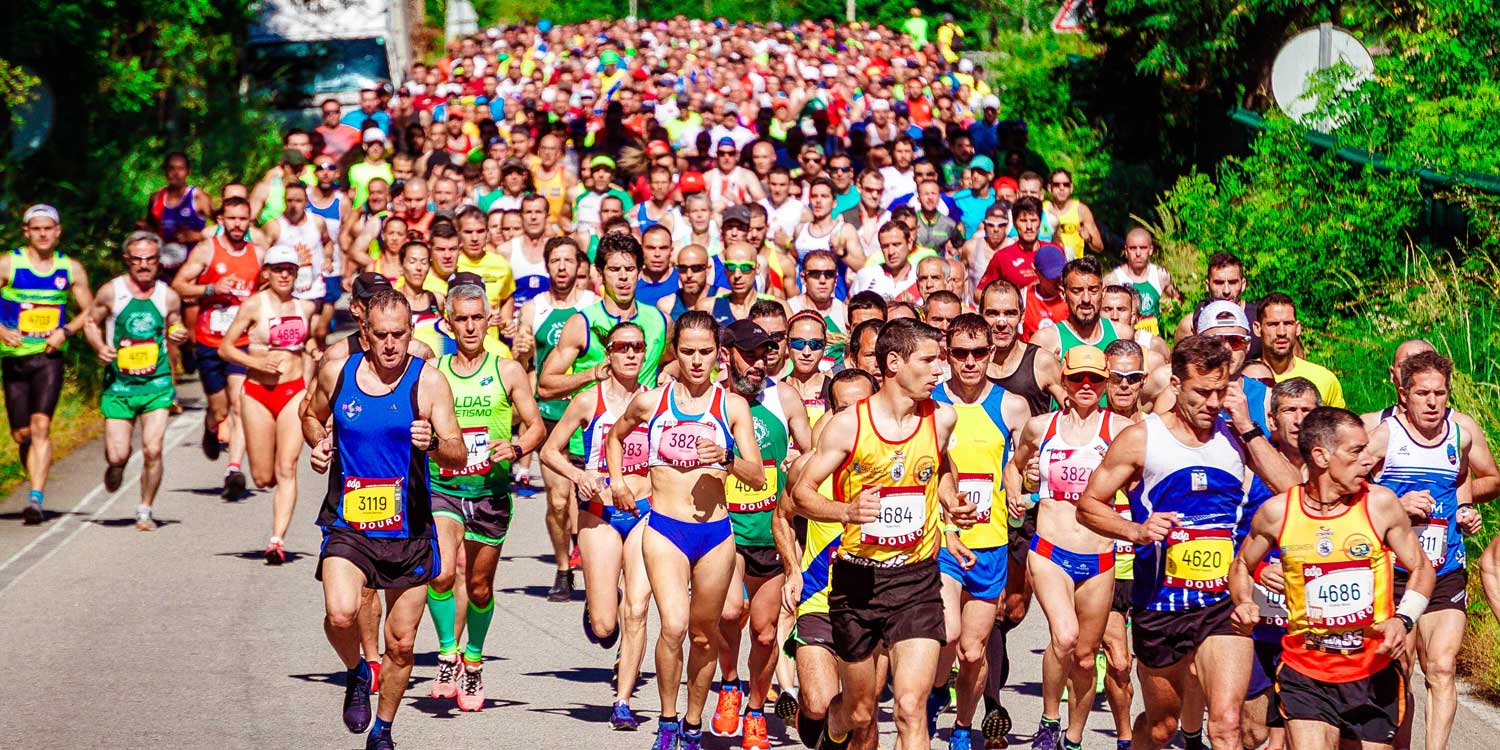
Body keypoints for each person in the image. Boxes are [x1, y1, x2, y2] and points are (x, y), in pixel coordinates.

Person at [1075, 335, 1301, 750]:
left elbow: (1295, 493)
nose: (1212, 402)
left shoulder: (1237, 437)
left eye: (1221, 391)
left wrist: (1249, 427)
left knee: (1226, 726)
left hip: (1222, 603)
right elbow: (1088, 506)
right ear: (1176, 386)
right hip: (1160, 605)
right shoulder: (1143, 439)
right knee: (1162, 728)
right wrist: (1136, 531)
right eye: (1202, 392)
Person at [790, 317, 976, 750]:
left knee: (912, 708)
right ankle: (832, 724)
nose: (939, 371)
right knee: (860, 711)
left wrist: (948, 500)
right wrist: (846, 511)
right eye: (929, 361)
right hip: (858, 581)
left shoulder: (942, 418)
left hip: (917, 579)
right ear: (894, 362)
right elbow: (801, 493)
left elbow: (941, 463)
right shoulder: (849, 426)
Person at [302, 289, 466, 750]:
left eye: (399, 334)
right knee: (340, 612)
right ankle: (357, 670)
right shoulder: (337, 371)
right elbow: (310, 416)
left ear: (411, 333)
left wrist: (433, 443)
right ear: (365, 335)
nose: (391, 344)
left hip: (409, 529)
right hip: (348, 521)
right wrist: (319, 443)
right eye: (382, 335)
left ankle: (384, 730)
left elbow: (456, 453)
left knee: (400, 643)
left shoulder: (429, 382)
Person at [1231, 407, 1436, 750]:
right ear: (1321, 456)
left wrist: (1403, 619)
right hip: (1305, 669)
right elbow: (1240, 565)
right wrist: (1244, 602)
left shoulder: (1379, 505)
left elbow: (1421, 568)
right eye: (1356, 451)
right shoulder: (1279, 512)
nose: (1368, 460)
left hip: (1372, 670)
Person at [607, 312, 765, 750]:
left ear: (720, 355)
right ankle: (668, 718)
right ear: (675, 351)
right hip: (664, 529)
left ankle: (694, 722)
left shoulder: (731, 406)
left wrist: (727, 456)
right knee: (673, 626)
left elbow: (755, 476)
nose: (697, 361)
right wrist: (618, 480)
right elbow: (615, 437)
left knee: (702, 633)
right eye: (688, 351)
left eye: (706, 352)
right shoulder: (651, 401)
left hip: (715, 535)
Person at [422, 281, 544, 711]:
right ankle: (447, 652)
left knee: (478, 587)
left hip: (490, 492)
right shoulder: (434, 371)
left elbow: (535, 424)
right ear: (448, 322)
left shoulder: (506, 369)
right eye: (462, 319)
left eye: (478, 318)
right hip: (445, 487)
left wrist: (516, 447)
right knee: (440, 572)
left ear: (490, 318)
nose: (471, 327)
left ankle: (473, 660)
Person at [1365, 350, 1494, 750]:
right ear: (1403, 394)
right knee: (1400, 670)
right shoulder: (1386, 435)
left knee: (1440, 667)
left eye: (1440, 393)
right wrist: (1396, 506)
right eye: (1423, 394)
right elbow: (1351, 486)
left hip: (1445, 567)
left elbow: (1460, 483)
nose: (1433, 402)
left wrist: (1466, 508)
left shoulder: (1460, 436)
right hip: (1396, 573)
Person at [1003, 346, 1127, 750]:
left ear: (1106, 382)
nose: (1086, 386)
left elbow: (1144, 484)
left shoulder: (1121, 430)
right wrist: (1016, 495)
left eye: (1095, 379)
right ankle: (1048, 720)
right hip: (1050, 549)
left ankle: (1072, 737)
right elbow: (1013, 467)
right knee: (1066, 637)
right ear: (1065, 382)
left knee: (1087, 656)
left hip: (1100, 555)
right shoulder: (1042, 428)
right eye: (1078, 379)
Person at [540, 233, 670, 600]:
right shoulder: (583, 322)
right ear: (600, 275)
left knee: (636, 575)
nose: (623, 278)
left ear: (641, 273)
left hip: (644, 448)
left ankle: (622, 621)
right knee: (563, 505)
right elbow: (547, 384)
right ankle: (571, 573)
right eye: (614, 270)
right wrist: (591, 374)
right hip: (591, 444)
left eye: (630, 269)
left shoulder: (657, 320)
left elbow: (671, 359)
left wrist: (671, 374)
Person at [540, 321, 654, 730]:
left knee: (638, 610)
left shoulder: (656, 400)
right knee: (607, 622)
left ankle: (622, 702)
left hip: (646, 511)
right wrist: (577, 477)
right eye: (621, 346)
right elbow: (550, 451)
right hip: (599, 512)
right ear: (608, 351)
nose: (630, 353)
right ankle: (601, 603)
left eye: (637, 347)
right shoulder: (589, 401)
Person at [709, 315, 813, 748]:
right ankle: (729, 683)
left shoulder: (783, 397)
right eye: (748, 354)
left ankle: (755, 708)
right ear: (726, 355)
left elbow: (810, 450)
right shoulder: (711, 399)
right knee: (732, 612)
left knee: (767, 632)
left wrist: (795, 460)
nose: (758, 363)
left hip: (772, 528)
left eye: (764, 353)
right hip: (724, 528)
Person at [931, 313, 1030, 750]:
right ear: (947, 355)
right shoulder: (930, 403)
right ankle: (935, 689)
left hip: (990, 542)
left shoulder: (1011, 405)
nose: (970, 362)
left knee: (974, 652)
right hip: (940, 538)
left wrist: (1019, 490)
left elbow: (1021, 464)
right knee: (948, 635)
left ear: (992, 354)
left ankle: (962, 727)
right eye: (960, 353)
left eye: (979, 353)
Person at [779, 368, 878, 748]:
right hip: (821, 594)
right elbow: (783, 519)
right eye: (843, 409)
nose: (853, 418)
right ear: (830, 413)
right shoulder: (810, 468)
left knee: (863, 713)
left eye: (862, 407)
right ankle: (812, 714)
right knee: (820, 702)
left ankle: (835, 732)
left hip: (876, 600)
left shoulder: (894, 465)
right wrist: (792, 570)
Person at [217, 245, 318, 564]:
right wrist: (255, 363)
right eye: (278, 269)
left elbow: (311, 341)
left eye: (290, 269)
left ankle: (276, 541)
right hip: (258, 391)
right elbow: (226, 348)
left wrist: (314, 357)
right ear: (267, 273)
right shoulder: (253, 306)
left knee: (287, 467)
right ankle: (264, 476)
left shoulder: (306, 308)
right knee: (263, 477)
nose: (285, 274)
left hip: (293, 391)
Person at [81, 231, 186, 529]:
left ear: (158, 261)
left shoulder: (168, 295)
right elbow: (90, 321)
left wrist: (179, 332)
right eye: (137, 259)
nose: (143, 265)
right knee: (118, 453)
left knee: (153, 448)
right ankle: (117, 465)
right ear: (127, 260)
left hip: (157, 384)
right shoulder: (112, 292)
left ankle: (145, 509)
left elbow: (177, 326)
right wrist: (100, 347)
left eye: (150, 259)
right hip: (119, 386)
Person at [1, 204, 96, 524]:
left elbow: (91, 310)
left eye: (48, 228)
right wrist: (2, 330)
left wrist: (66, 330)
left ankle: (36, 498)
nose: (43, 234)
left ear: (58, 232)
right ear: (26, 232)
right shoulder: (8, 264)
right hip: (14, 359)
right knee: (21, 433)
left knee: (42, 426)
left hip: (48, 357)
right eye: (36, 228)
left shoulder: (70, 269)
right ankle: (34, 472)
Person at [174, 196, 262, 497]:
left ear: (250, 221)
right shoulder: (207, 249)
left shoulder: (258, 254)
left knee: (239, 404)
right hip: (209, 341)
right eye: (232, 218)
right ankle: (211, 427)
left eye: (243, 219)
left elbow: (267, 291)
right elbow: (179, 284)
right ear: (222, 220)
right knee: (220, 407)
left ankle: (233, 469)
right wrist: (211, 288)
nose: (238, 224)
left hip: (241, 343)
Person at [261, 182, 334, 348]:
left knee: (314, 333)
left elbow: (328, 242)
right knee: (292, 338)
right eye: (290, 200)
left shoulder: (317, 222)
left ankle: (315, 369)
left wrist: (328, 258)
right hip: (286, 291)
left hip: (313, 288)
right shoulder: (275, 226)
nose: (294, 205)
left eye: (298, 200)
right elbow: (262, 256)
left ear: (306, 202)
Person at [1029, 257, 1133, 360]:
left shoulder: (1122, 335)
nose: (1086, 299)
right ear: (1063, 294)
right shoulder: (1045, 341)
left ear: (1103, 292)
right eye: (1077, 291)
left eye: (1093, 290)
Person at [1252, 292, 1345, 407]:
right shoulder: (1248, 379)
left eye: (1288, 324)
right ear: (1257, 328)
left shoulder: (1324, 379)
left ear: (1297, 328)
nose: (1281, 332)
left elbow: (1341, 424)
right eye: (1272, 324)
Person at [1173, 252, 1262, 360]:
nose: (1226, 290)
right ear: (1207, 285)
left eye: (1233, 282)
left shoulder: (1259, 319)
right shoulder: (1190, 324)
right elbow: (1177, 367)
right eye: (1219, 283)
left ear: (1243, 284)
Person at [1103, 228, 1176, 337]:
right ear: (1126, 250)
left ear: (1151, 250)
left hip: (1154, 341)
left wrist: (1167, 313)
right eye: (1133, 248)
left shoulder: (1161, 276)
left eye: (1143, 248)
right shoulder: (1113, 279)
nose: (1138, 253)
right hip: (1124, 340)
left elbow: (1177, 300)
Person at [787, 250, 849, 370]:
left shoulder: (844, 312)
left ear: (836, 279)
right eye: (815, 274)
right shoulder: (790, 309)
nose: (822, 280)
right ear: (803, 278)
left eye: (829, 274)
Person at [850, 221, 921, 304]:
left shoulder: (921, 276)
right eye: (885, 246)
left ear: (909, 243)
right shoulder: (865, 275)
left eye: (896, 244)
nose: (891, 252)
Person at [1042, 169, 1102, 259]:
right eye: (1056, 185)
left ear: (1071, 188)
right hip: (1048, 264)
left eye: (1066, 185)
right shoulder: (1042, 208)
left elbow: (1099, 247)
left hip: (1074, 267)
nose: (1061, 188)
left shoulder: (1081, 210)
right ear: (1049, 188)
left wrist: (1088, 239)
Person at [659, 245, 717, 323]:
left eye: (696, 268)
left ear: (707, 270)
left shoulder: (723, 299)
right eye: (683, 268)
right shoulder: (667, 306)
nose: (689, 275)